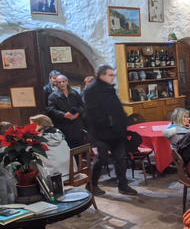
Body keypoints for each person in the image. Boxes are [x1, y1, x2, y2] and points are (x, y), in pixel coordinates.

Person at [82, 64, 137, 195]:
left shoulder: (109, 89)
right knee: (101, 159)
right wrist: (108, 124)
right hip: (101, 133)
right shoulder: (91, 90)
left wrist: (122, 122)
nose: (113, 77)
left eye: (113, 75)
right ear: (102, 75)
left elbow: (115, 108)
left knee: (120, 159)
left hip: (116, 132)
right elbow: (92, 113)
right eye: (110, 75)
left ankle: (123, 186)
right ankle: (92, 185)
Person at [46, 74, 86, 148]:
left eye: (63, 81)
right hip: (63, 126)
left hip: (76, 125)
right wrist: (63, 115)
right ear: (56, 84)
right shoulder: (53, 96)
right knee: (67, 148)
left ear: (67, 82)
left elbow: (82, 106)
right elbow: (50, 110)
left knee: (79, 147)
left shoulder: (74, 93)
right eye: (59, 82)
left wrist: (76, 114)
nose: (62, 84)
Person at [28, 114, 71, 181]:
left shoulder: (39, 139)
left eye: (32, 125)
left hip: (55, 178)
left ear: (40, 125)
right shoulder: (59, 134)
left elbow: (27, 151)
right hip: (70, 171)